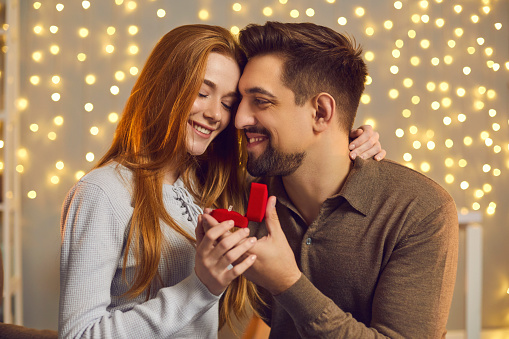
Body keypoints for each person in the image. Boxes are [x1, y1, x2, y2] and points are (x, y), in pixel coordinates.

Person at [58, 24, 384, 338]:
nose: (217, 114)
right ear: (161, 87)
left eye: (228, 103)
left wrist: (347, 142)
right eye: (202, 93)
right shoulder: (103, 192)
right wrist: (200, 287)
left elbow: (300, 164)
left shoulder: (212, 189)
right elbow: (79, 335)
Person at [201, 21, 459, 338]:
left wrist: (288, 283)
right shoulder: (242, 191)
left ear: (321, 112)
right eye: (238, 101)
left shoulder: (420, 210)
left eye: (262, 101)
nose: (238, 119)